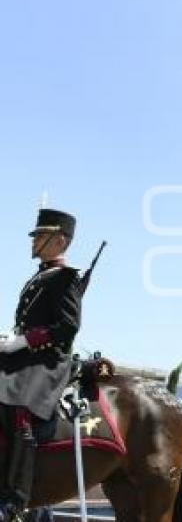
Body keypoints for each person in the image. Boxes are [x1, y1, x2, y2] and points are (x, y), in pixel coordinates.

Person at [0, 209, 83, 519]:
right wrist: (11, 337)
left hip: (48, 360)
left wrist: (24, 341)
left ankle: (14, 498)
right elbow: (27, 322)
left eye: (40, 236)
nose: (33, 241)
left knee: (15, 401)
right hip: (27, 354)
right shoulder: (39, 277)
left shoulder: (65, 277)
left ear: (59, 241)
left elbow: (67, 327)